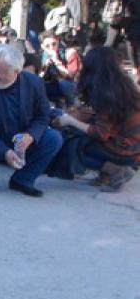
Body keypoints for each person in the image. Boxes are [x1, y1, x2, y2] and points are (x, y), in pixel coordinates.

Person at [0, 44, 63, 196]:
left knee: (53, 138)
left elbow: (43, 115)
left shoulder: (34, 83)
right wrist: (5, 151)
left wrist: (31, 135)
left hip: (19, 137)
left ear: (16, 71)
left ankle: (23, 179)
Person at [55, 47, 139, 191]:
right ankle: (107, 174)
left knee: (73, 145)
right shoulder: (123, 85)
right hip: (134, 145)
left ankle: (117, 171)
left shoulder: (106, 93)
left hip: (128, 150)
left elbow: (101, 133)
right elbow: (109, 121)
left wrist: (70, 120)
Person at [40, 31, 81, 108]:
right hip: (49, 85)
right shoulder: (42, 56)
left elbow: (70, 76)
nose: (51, 48)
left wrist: (56, 61)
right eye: (47, 46)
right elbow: (38, 78)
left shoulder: (69, 53)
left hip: (68, 85)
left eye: (54, 44)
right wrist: (45, 67)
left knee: (65, 84)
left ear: (58, 42)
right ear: (42, 46)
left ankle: (72, 107)